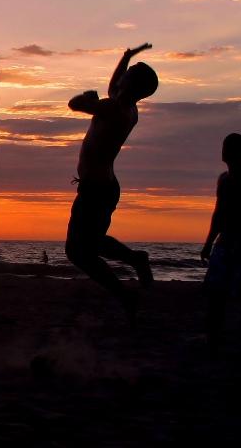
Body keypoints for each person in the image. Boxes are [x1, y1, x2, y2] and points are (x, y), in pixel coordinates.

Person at [65, 44, 157, 324]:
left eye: (129, 72)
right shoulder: (126, 106)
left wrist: (87, 98)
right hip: (101, 187)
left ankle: (132, 270)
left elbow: (74, 104)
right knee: (88, 247)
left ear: (131, 84)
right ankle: (132, 271)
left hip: (97, 191)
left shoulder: (113, 109)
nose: (122, 76)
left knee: (78, 251)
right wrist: (127, 57)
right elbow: (114, 84)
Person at [201, 133, 241, 357]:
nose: (224, 150)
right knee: (215, 295)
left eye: (229, 147)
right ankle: (212, 346)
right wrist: (209, 243)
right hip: (225, 242)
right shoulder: (223, 179)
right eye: (224, 146)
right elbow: (218, 213)